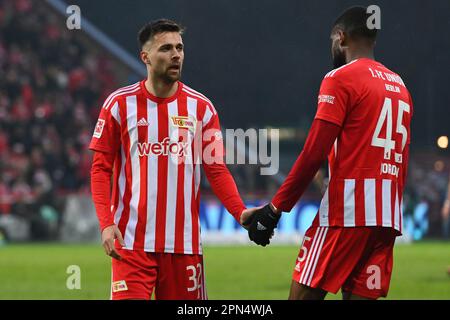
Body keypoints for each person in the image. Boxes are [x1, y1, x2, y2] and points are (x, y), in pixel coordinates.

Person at [242, 6, 413, 300]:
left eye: (333, 40)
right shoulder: (400, 85)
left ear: (341, 38)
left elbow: (313, 153)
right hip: (387, 219)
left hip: (346, 213)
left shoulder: (340, 77)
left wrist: (274, 210)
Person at [90, 19, 251, 300]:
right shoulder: (118, 104)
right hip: (131, 243)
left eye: (180, 47)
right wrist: (105, 223)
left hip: (183, 246)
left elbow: (216, 170)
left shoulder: (201, 108)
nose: (176, 54)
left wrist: (240, 212)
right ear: (146, 57)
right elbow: (100, 169)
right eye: (166, 48)